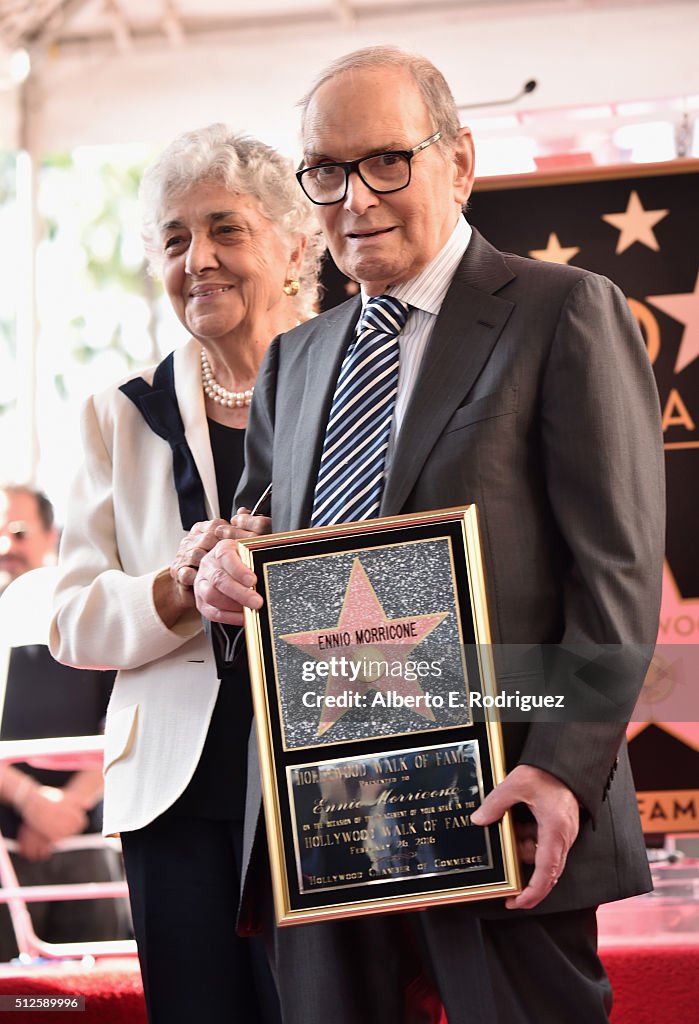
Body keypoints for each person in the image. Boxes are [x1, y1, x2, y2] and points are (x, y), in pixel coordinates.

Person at [192, 48, 665, 1024]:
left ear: (460, 163)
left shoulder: (563, 312)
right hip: (325, 822)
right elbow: (260, 550)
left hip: (508, 813)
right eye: (324, 170)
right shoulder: (293, 360)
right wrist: (221, 581)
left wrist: (560, 767)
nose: (354, 196)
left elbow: (615, 577)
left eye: (386, 162)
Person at [49, 125, 322, 1022]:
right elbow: (73, 622)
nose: (197, 259)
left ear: (293, 243)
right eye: (173, 240)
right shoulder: (116, 415)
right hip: (179, 787)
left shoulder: (366, 383)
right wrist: (176, 584)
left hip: (335, 766)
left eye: (225, 230)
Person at [0, 484, 126, 960]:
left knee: (85, 996)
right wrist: (30, 799)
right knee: (16, 1001)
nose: (5, 547)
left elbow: (122, 722)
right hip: (5, 844)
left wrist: (64, 808)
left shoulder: (84, 621)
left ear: (49, 534)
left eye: (17, 531)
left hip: (84, 838)